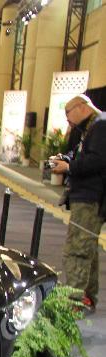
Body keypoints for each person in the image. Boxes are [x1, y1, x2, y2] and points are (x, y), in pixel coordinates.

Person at [50, 94, 106, 311]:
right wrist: (67, 161)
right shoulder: (92, 129)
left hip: (91, 199)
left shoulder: (100, 128)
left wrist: (69, 168)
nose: (68, 120)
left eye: (68, 114)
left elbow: (98, 161)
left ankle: (72, 302)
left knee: (77, 250)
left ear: (81, 107)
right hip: (90, 197)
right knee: (87, 249)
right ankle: (87, 297)